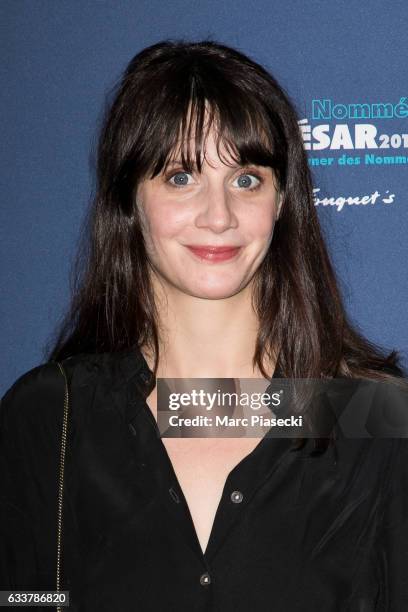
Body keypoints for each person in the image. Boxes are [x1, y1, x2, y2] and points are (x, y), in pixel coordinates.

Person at [1, 39, 407, 612]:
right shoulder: (50, 418)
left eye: (246, 179)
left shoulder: (375, 419)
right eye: (180, 177)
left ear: (282, 201)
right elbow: (25, 600)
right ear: (128, 200)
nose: (219, 216)